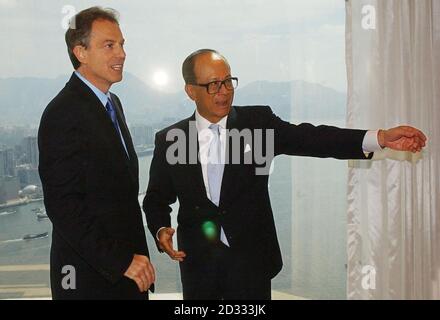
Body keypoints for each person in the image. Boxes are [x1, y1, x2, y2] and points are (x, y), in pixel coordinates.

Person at [143, 49, 426, 300]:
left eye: (228, 81)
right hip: (199, 269)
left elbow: (312, 138)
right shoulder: (170, 138)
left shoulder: (257, 124)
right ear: (191, 91)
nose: (225, 91)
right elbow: (156, 198)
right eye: (213, 85)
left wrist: (379, 138)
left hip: (251, 266)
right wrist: (160, 228)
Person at [38, 7, 155, 300]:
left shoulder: (112, 103)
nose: (121, 54)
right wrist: (121, 261)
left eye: (122, 44)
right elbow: (63, 207)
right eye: (109, 45)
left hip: (125, 276)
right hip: (89, 281)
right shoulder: (63, 113)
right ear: (81, 52)